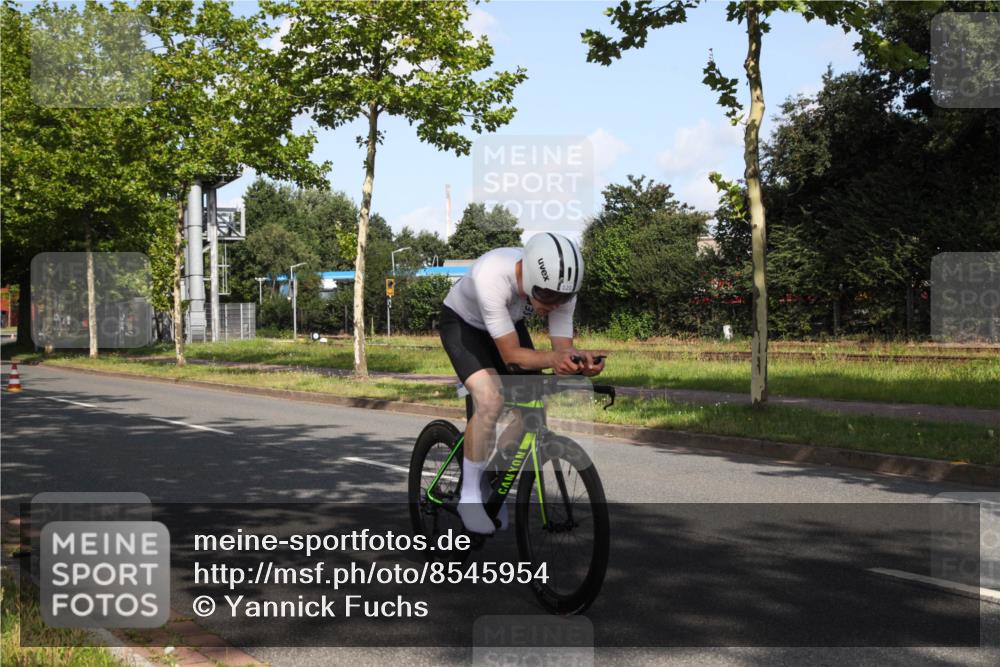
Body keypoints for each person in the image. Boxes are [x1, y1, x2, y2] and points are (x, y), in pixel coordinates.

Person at [438, 232, 606, 534]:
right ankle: (470, 496)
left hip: (506, 326)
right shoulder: (491, 274)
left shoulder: (560, 288)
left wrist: (577, 362)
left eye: (562, 299)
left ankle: (491, 480)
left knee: (532, 409)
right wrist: (555, 360)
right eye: (548, 297)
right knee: (491, 399)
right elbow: (512, 356)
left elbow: (561, 351)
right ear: (528, 276)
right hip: (462, 325)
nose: (554, 305)